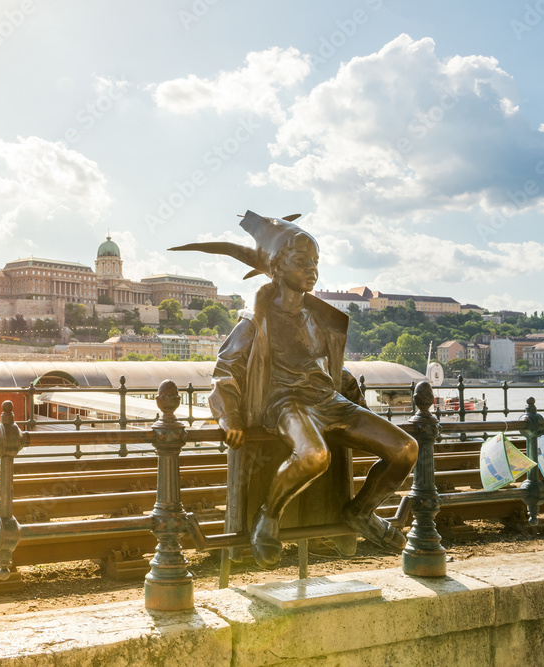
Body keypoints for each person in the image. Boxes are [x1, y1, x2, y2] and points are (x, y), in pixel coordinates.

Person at [170, 211, 417, 568]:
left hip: (328, 401)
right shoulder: (256, 319)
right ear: (277, 266)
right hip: (285, 403)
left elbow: (330, 369)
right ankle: (268, 517)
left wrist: (358, 403)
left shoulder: (320, 319)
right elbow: (226, 370)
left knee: (406, 449)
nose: (311, 269)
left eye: (314, 262)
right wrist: (230, 417)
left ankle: (360, 512)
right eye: (301, 262)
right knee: (314, 456)